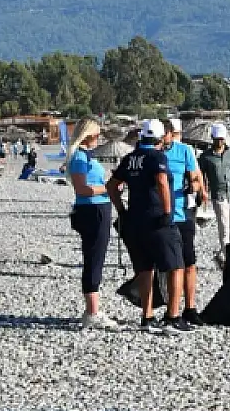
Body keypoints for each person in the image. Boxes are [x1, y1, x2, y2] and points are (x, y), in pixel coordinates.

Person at [106, 119, 185, 334]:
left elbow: (112, 185)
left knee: (144, 269)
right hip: (157, 219)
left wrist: (122, 211)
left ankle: (147, 316)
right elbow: (161, 181)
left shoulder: (130, 158)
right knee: (175, 266)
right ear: (160, 139)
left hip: (134, 220)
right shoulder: (157, 157)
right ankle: (172, 316)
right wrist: (168, 212)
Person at [66, 121, 117, 331]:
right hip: (92, 209)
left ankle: (94, 309)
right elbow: (82, 189)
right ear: (88, 135)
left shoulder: (87, 156)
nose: (99, 138)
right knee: (93, 257)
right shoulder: (79, 157)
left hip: (99, 208)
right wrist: (106, 187)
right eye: (97, 135)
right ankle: (92, 311)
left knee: (96, 256)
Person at [161, 118, 206, 326]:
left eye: (165, 134)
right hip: (159, 214)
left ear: (171, 133)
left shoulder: (184, 151)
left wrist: (195, 187)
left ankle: (190, 307)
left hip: (182, 213)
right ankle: (166, 309)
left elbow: (196, 177)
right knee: (165, 265)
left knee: (188, 262)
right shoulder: (152, 152)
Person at [198, 124, 230, 268]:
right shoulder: (205, 157)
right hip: (218, 195)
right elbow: (200, 175)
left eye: (222, 139)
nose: (220, 142)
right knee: (224, 226)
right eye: (217, 139)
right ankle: (228, 258)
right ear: (212, 138)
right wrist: (202, 191)